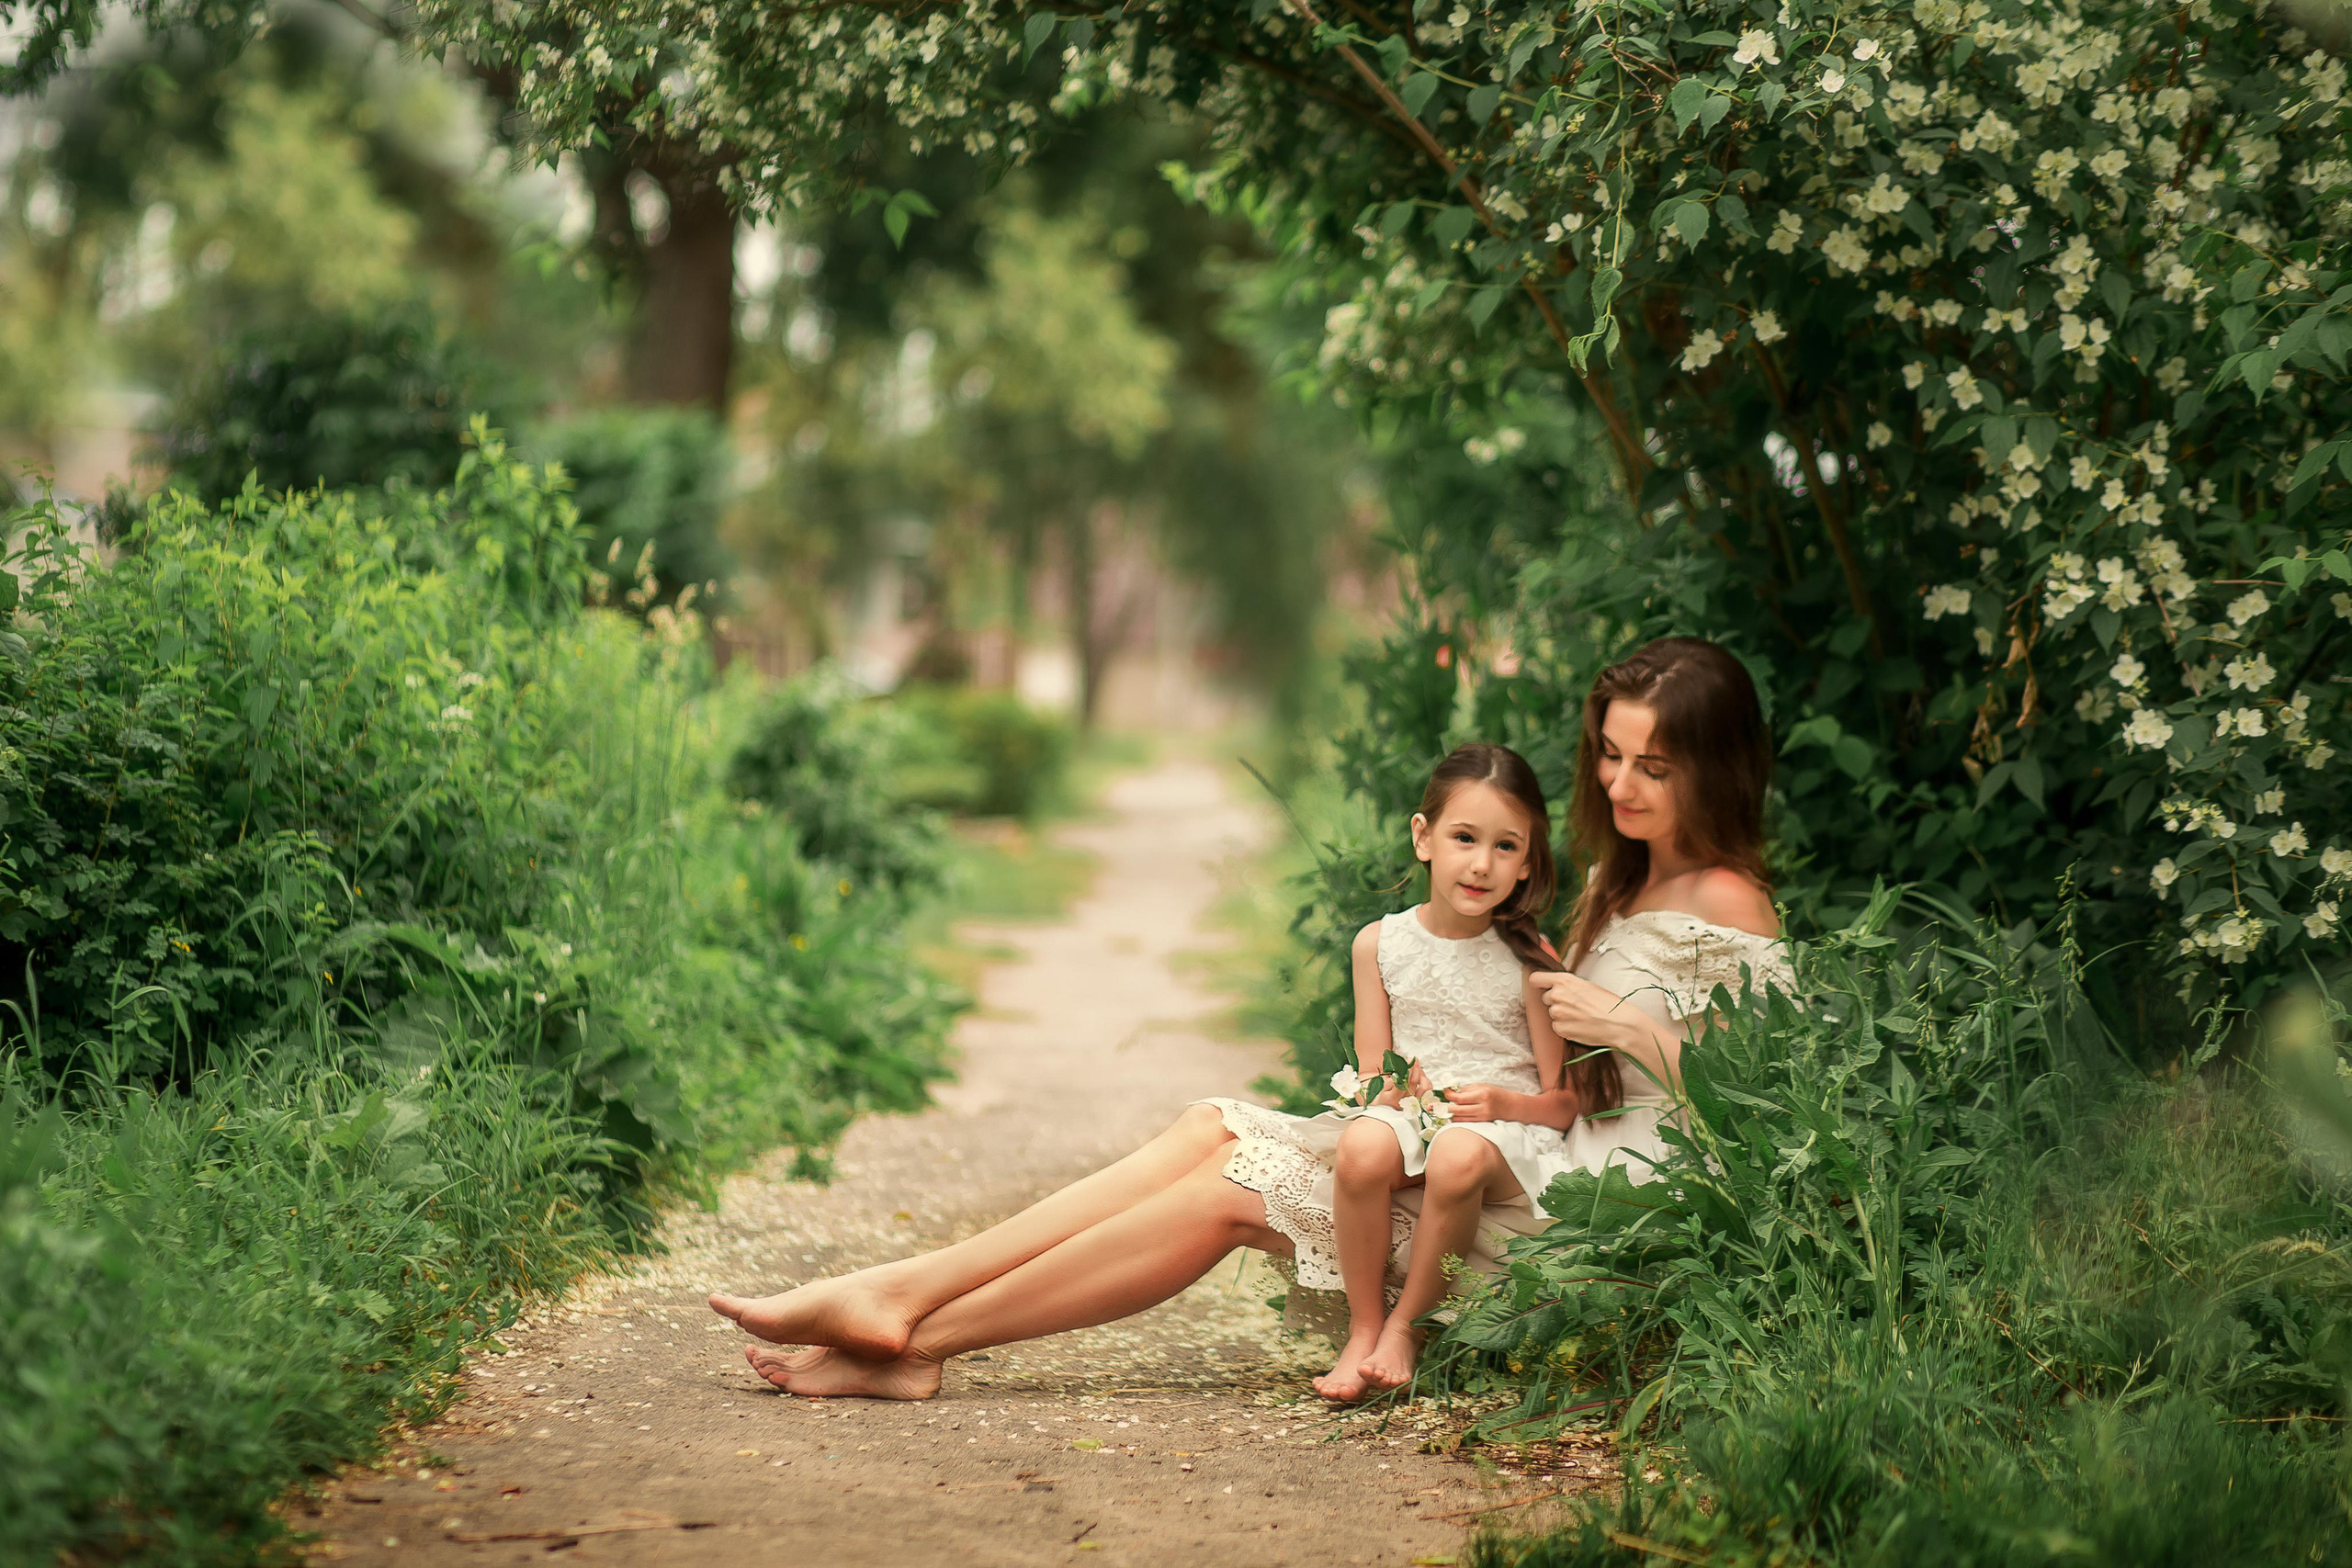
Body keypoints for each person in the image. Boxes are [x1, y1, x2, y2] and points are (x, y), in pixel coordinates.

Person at [708, 636, 1792, 1402]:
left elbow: (1759, 1109)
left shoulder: (1729, 905)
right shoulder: (1623, 880)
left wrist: (1622, 1026)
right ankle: (902, 1305)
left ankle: (909, 1326)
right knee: (1211, 1128)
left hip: (1598, 1203)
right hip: (1520, 1148)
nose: (1621, 781)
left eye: (1653, 764)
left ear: (1714, 766)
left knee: (1232, 1190)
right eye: (1609, 754)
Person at [1195, 743, 1578, 1403]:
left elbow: (1564, 1101)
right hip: (1415, 1117)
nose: (1482, 863)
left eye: (1507, 846)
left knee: (1457, 1154)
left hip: (1502, 1133)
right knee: (1363, 1143)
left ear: (1528, 860)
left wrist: (1501, 1102)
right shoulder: (1380, 943)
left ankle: (1408, 1326)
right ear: (1424, 837)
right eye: (1464, 837)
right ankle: (1363, 1322)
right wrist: (1397, 1090)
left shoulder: (1528, 955)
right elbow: (1375, 1075)